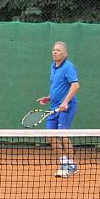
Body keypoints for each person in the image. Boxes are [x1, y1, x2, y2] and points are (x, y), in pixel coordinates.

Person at [36, 41, 80, 178]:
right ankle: (64, 162)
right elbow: (58, 86)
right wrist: (49, 98)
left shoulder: (68, 67)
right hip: (54, 107)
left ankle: (72, 165)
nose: (55, 52)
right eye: (54, 50)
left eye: (58, 50)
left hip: (66, 107)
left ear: (65, 54)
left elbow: (75, 86)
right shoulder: (53, 66)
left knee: (63, 134)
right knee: (51, 136)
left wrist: (65, 102)